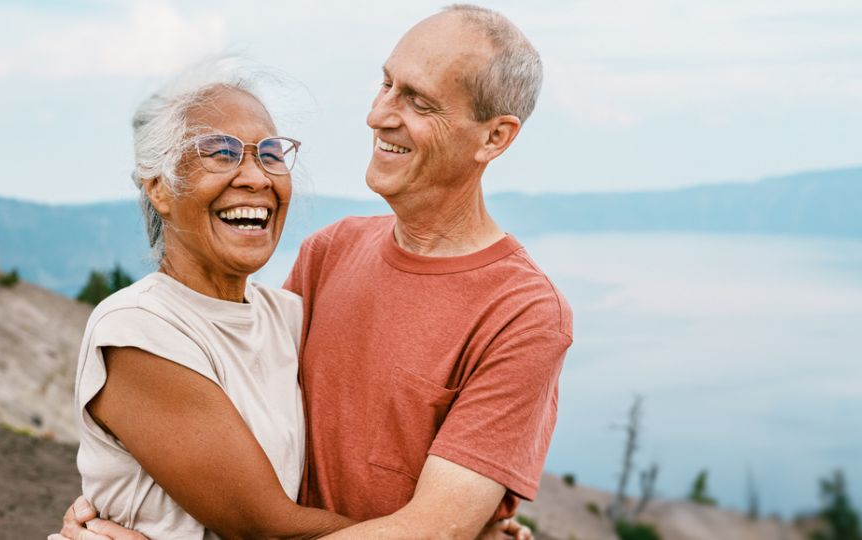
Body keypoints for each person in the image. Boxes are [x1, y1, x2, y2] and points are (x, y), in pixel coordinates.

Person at [59, 4, 570, 539]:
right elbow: (258, 510)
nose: (378, 114)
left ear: (494, 137)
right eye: (386, 84)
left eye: (418, 101)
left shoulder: (524, 313)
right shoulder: (330, 254)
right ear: (157, 186)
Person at [64, 64, 358, 539]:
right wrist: (449, 532)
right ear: (158, 186)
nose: (256, 177)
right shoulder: (137, 328)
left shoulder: (287, 318)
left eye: (270, 154)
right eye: (220, 153)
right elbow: (268, 529)